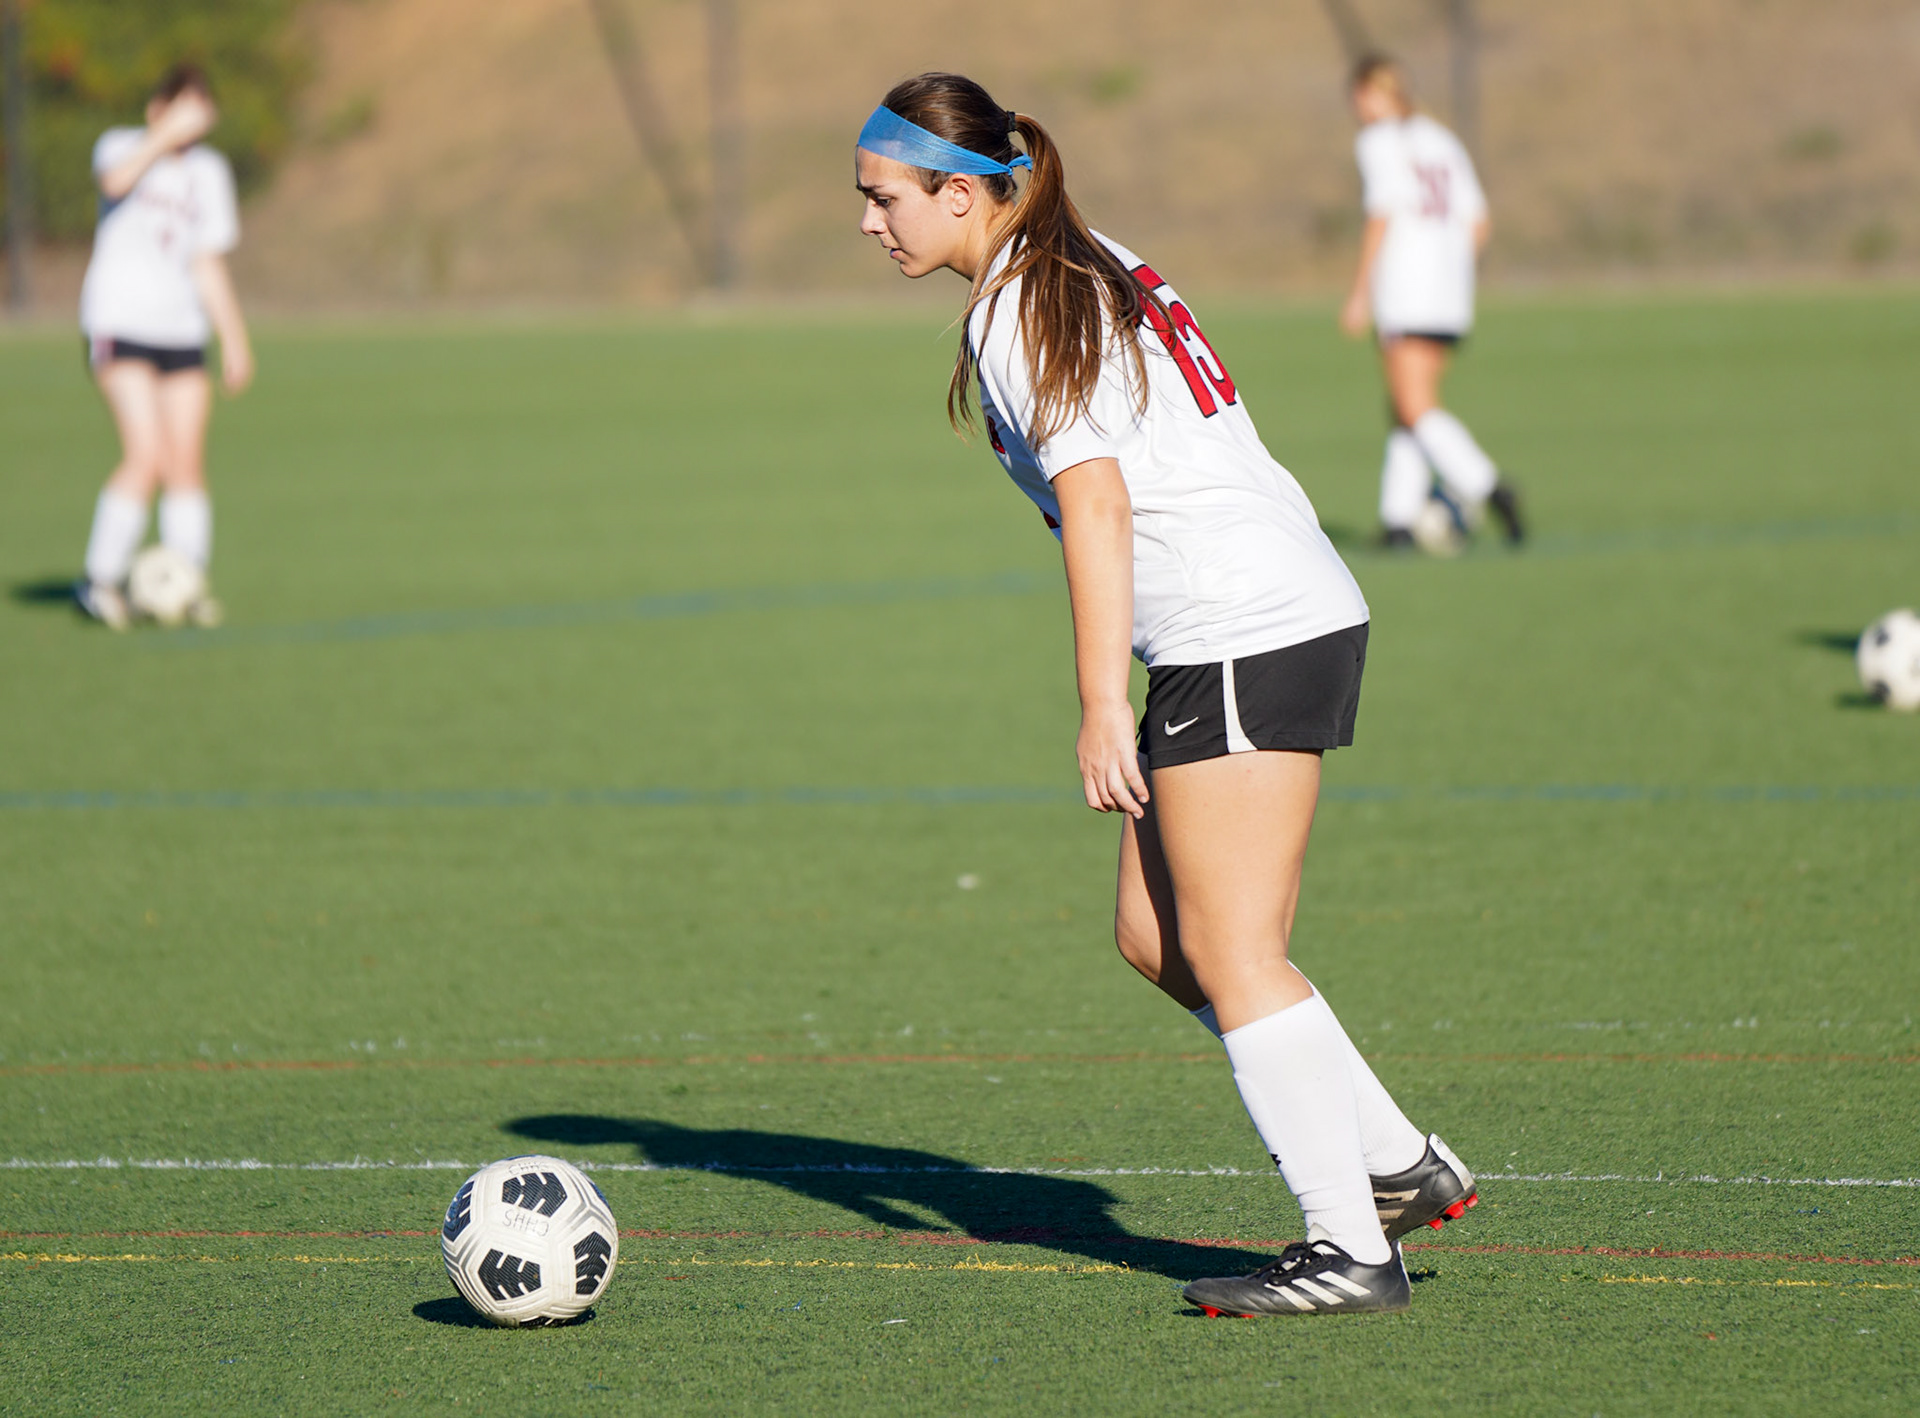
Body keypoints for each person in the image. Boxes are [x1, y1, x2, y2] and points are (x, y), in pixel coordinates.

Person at [854, 72, 1477, 1318]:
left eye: (884, 198)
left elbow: (1097, 502)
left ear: (962, 190)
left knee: (1239, 953)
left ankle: (1350, 1249)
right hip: (1261, 615)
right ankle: (1397, 1161)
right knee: (1161, 937)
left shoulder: (1024, 304)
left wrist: (1096, 701)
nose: (870, 223)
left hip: (1239, 628)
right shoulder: (1078, 255)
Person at [74, 63, 252, 629]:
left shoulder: (210, 173)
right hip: (120, 322)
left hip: (181, 330)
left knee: (185, 461)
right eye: (183, 108)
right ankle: (99, 579)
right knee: (145, 454)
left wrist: (235, 338)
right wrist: (163, 135)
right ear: (159, 107)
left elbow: (206, 262)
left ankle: (187, 578)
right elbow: (115, 182)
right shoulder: (123, 145)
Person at [1340, 55, 1522, 551]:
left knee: (1415, 406)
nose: (1356, 108)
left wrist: (1360, 292)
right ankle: (1397, 522)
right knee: (1406, 405)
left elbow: (1381, 214)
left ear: (1378, 94)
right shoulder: (1442, 140)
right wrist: (1450, 267)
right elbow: (1477, 222)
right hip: (1449, 291)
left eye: (1360, 97)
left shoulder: (1379, 142)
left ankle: (1490, 488)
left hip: (1406, 289)